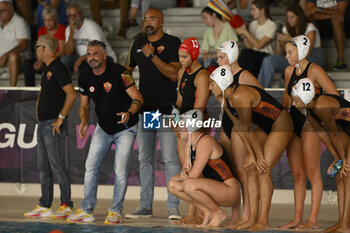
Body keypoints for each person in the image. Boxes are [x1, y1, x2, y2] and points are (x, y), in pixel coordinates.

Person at [67, 40, 143, 224]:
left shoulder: (121, 73)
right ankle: (86, 210)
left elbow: (138, 98)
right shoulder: (84, 77)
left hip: (126, 127)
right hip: (103, 127)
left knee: (120, 170)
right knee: (90, 167)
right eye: (89, 54)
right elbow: (84, 105)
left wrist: (129, 113)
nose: (91, 57)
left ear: (104, 55)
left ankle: (115, 211)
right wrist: (84, 121)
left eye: (95, 54)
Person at [210, 65, 293, 231]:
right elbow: (241, 128)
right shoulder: (226, 100)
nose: (210, 87)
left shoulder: (240, 95)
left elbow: (248, 128)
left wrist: (259, 155)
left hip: (281, 123)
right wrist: (254, 155)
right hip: (264, 126)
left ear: (222, 84)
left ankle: (263, 221)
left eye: (212, 83)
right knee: (249, 167)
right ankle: (251, 218)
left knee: (263, 168)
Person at [124, 8, 182, 220]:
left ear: (162, 21)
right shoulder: (138, 43)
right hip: (146, 110)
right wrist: (131, 92)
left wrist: (152, 56)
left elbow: (174, 74)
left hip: (166, 110)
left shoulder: (173, 42)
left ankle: (173, 206)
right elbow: (125, 71)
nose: (147, 22)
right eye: (145, 18)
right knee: (145, 159)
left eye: (152, 18)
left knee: (170, 160)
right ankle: (145, 206)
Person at [281, 35, 339, 230]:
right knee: (298, 174)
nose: (286, 56)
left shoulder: (315, 71)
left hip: (311, 124)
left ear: (302, 51)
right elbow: (286, 98)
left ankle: (312, 220)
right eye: (286, 52)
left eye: (290, 52)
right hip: (294, 123)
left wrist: (318, 114)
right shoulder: (289, 71)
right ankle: (297, 218)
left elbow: (334, 97)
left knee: (313, 174)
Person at [24, 34, 77, 219]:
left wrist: (61, 118)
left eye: (37, 47)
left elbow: (72, 94)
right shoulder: (47, 68)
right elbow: (43, 92)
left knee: (57, 165)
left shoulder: (59, 67)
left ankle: (66, 204)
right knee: (43, 166)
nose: (36, 51)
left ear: (44, 48)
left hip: (53, 124)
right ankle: (45, 205)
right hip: (43, 123)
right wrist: (39, 111)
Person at [291, 78, 350, 233]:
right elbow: (322, 133)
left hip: (343, 130)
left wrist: (342, 159)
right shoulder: (307, 109)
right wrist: (336, 156)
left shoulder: (322, 105)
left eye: (296, 101)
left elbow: (334, 134)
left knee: (347, 174)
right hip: (344, 129)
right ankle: (342, 222)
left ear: (305, 98)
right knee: (339, 176)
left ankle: (345, 226)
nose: (293, 104)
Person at [215, 39, 264, 228]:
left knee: (244, 173)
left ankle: (248, 215)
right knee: (233, 174)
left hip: (240, 127)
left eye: (221, 57)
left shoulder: (244, 76)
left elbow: (262, 100)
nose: (218, 61)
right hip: (227, 123)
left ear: (232, 56)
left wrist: (253, 126)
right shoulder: (223, 74)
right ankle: (236, 215)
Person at [169, 109, 241, 227]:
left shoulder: (205, 142)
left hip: (229, 190)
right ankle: (207, 210)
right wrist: (180, 175)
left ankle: (218, 213)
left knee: (188, 184)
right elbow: (186, 171)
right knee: (173, 185)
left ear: (190, 127)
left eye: (180, 126)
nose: (177, 130)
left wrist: (180, 176)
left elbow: (193, 175)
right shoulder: (190, 143)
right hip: (214, 188)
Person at [172, 37, 210, 225]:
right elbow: (179, 101)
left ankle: (203, 212)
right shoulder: (181, 72)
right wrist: (175, 116)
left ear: (194, 55)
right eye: (179, 56)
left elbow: (200, 108)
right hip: (183, 126)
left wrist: (187, 126)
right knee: (186, 168)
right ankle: (191, 213)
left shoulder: (202, 75)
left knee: (196, 170)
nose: (181, 60)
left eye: (185, 56)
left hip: (196, 126)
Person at [257, 4, 325, 88]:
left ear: (299, 17)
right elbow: (279, 54)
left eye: (292, 17)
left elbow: (307, 51)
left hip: (312, 57)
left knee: (299, 61)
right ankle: (261, 89)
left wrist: (288, 38)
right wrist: (279, 41)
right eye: (288, 17)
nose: (289, 20)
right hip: (293, 57)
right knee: (268, 60)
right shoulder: (286, 28)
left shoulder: (310, 27)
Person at [62, 4, 117, 74]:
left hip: (104, 57)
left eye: (75, 14)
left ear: (81, 14)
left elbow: (98, 49)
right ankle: (68, 84)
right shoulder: (69, 29)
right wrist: (71, 33)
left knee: (93, 61)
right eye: (70, 16)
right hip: (85, 59)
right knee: (64, 60)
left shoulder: (91, 26)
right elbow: (68, 53)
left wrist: (80, 59)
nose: (73, 18)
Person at [23, 6, 65, 86]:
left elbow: (61, 52)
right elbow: (39, 49)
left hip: (55, 59)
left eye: (50, 20)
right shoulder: (41, 30)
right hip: (43, 60)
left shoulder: (62, 29)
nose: (48, 22)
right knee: (27, 64)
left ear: (56, 19)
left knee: (50, 65)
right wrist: (39, 60)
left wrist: (44, 60)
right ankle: (29, 90)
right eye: (45, 20)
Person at [235, 0, 277, 77]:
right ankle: (243, 81)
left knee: (246, 53)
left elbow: (259, 45)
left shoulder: (272, 25)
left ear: (262, 10)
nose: (251, 12)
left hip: (266, 55)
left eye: (254, 9)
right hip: (253, 54)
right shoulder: (253, 24)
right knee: (247, 55)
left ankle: (240, 79)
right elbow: (250, 46)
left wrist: (245, 32)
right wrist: (243, 35)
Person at [305, 0, 348, 71]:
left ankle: (340, 60)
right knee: (308, 20)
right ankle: (308, 59)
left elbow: (340, 13)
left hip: (340, 24)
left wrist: (317, 9)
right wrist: (330, 14)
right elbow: (307, 13)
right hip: (320, 22)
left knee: (336, 20)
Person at [0, 0, 30, 86]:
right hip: (1, 58)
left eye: (3, 10)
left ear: (11, 11)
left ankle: (12, 88)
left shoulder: (20, 22)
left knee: (13, 57)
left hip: (19, 58)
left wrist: (5, 55)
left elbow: (23, 44)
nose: (0, 13)